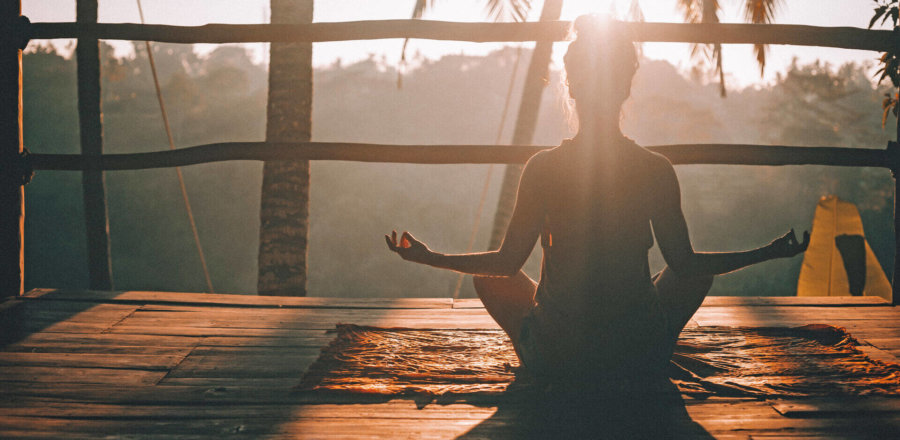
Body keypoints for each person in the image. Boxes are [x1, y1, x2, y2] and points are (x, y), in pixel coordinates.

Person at [385, 15, 808, 385]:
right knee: (692, 273)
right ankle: (652, 345)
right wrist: (767, 252)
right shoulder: (655, 168)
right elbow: (686, 265)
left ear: (571, 88)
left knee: (490, 279)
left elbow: (506, 264)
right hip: (636, 355)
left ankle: (539, 354)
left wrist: (430, 257)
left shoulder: (543, 168)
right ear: (626, 88)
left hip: (560, 358)